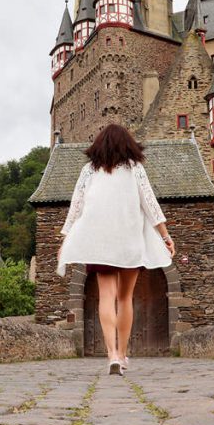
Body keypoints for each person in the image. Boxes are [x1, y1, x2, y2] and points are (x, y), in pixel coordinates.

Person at [57, 124, 176, 375]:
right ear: (128, 146)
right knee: (125, 299)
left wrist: (65, 238)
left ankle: (110, 354)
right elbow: (150, 205)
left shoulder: (88, 171)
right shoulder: (135, 170)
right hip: (128, 240)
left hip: (100, 243)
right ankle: (122, 354)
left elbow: (75, 207)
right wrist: (165, 237)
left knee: (106, 297)